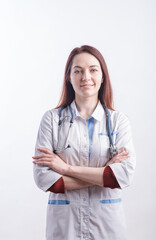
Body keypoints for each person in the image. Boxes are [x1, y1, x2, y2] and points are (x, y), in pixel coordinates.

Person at [32, 45, 136, 240]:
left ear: (102, 76)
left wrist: (65, 169)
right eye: (77, 71)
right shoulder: (52, 120)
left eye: (93, 70)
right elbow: (45, 180)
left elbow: (122, 177)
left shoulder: (118, 121)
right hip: (65, 227)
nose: (85, 77)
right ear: (68, 77)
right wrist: (103, 173)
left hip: (106, 226)